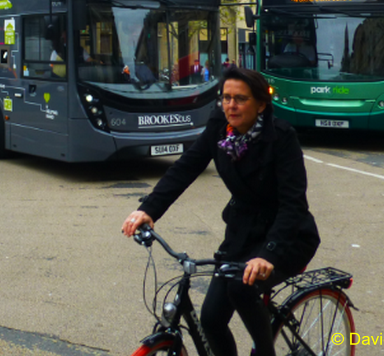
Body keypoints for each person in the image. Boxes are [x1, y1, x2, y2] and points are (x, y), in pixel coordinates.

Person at [121, 66, 319, 356]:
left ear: (261, 104)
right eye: (226, 98)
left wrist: (268, 254)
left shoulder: (281, 138)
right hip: (242, 234)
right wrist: (148, 209)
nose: (231, 105)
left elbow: (293, 204)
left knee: (241, 288)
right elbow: (187, 166)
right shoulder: (218, 127)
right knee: (211, 319)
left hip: (287, 237)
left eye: (240, 99)